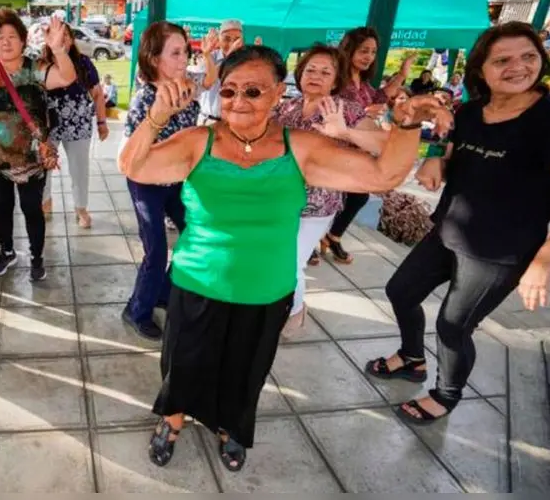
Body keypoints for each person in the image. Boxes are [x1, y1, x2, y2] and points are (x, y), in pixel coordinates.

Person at [118, 44, 450, 471]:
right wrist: (156, 117)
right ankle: (173, 418)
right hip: (197, 280)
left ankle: (230, 427)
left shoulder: (301, 147)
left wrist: (406, 125)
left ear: (278, 93)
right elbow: (134, 167)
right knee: (184, 362)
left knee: (245, 368)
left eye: (253, 91)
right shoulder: (199, 141)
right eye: (230, 90)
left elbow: (384, 175)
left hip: (265, 288)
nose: (238, 101)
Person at [365, 22, 550, 425]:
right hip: (447, 232)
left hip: (500, 251)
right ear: (482, 68)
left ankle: (445, 395)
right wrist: (435, 161)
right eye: (502, 60)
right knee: (400, 291)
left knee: (453, 326)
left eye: (528, 56)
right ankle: (412, 357)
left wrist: (545, 262)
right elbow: (451, 153)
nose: (518, 67)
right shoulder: (471, 111)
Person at [273, 45, 387, 330]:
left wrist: (345, 132)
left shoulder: (345, 109)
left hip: (317, 204)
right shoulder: (287, 106)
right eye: (310, 70)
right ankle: (280, 307)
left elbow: (384, 144)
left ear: (336, 81)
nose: (315, 76)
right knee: (275, 257)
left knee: (290, 263)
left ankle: (294, 312)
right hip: (279, 200)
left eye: (325, 72)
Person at [0, 9, 76, 281]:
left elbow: (65, 78)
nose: (6, 41)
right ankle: (7, 251)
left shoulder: (34, 67)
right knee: (1, 210)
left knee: (32, 210)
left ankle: (36, 257)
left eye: (12, 36)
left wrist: (59, 50)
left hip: (30, 159)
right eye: (0, 36)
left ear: (23, 41)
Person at [120, 22, 201, 340]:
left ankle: (163, 292)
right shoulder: (145, 100)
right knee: (155, 251)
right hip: (146, 184)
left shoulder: (188, 92)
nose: (184, 59)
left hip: (177, 182)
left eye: (185, 52)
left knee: (194, 235)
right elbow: (133, 157)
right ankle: (137, 310)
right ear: (155, 59)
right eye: (175, 53)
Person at [327, 27, 414, 263]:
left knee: (358, 196)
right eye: (363, 50)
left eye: (373, 52)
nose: (369, 57)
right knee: (329, 196)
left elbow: (380, 97)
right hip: (333, 147)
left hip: (357, 148)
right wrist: (363, 114)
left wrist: (402, 74)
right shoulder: (335, 79)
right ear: (349, 50)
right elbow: (326, 108)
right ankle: (319, 238)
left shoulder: (363, 83)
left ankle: (332, 236)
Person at [39, 30, 109, 228]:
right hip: (48, 126)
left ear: (71, 39)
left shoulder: (83, 62)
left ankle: (81, 208)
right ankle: (45, 202)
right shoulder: (41, 63)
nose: (61, 41)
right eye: (55, 36)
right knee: (43, 166)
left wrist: (102, 122)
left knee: (79, 170)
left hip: (79, 125)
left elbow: (97, 94)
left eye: (65, 37)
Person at [197, 19, 244, 124]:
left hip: (232, 122)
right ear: (219, 39)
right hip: (207, 121)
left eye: (236, 39)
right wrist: (229, 56)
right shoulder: (209, 57)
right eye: (227, 39)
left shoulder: (245, 62)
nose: (232, 44)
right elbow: (208, 79)